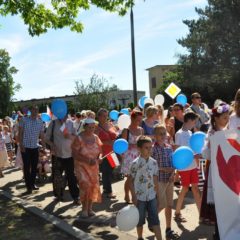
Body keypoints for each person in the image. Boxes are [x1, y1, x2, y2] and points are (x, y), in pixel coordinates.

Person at [200, 102, 230, 240]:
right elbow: (205, 154)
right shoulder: (212, 133)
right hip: (216, 173)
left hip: (229, 171)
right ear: (216, 118)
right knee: (218, 205)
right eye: (224, 117)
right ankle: (218, 233)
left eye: (228, 116)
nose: (227, 119)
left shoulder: (230, 130)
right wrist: (212, 146)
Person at [129, 135, 162, 240]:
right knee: (140, 219)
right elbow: (130, 181)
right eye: (146, 148)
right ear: (139, 149)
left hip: (152, 196)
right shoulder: (135, 164)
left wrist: (158, 195)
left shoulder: (154, 162)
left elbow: (155, 179)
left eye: (150, 147)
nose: (149, 150)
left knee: (155, 220)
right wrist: (133, 196)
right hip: (140, 197)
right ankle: (140, 237)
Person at [152, 124, 180, 239]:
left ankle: (168, 229)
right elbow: (151, 166)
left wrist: (173, 173)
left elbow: (173, 163)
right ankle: (151, 220)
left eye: (165, 133)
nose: (163, 135)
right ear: (155, 136)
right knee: (162, 204)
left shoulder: (169, 147)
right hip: (159, 180)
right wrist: (164, 169)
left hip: (169, 180)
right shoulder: (153, 149)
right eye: (160, 134)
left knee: (169, 205)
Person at [72, 118, 102, 218]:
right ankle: (84, 209)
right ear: (84, 127)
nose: (92, 129)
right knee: (85, 186)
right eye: (89, 127)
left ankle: (90, 209)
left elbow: (100, 151)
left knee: (93, 186)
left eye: (93, 127)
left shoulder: (96, 137)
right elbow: (75, 154)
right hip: (81, 167)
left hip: (94, 167)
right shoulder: (79, 138)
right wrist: (88, 160)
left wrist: (100, 158)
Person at [45, 114, 79, 203]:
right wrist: (52, 145)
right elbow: (46, 138)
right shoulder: (53, 124)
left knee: (71, 176)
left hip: (69, 155)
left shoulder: (71, 123)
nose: (63, 116)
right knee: (57, 176)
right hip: (57, 155)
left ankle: (75, 197)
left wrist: (69, 136)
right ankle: (58, 195)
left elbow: (76, 137)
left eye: (65, 114)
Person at [174, 112, 201, 221]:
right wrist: (193, 155)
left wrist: (197, 155)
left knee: (195, 188)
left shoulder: (190, 132)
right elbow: (177, 150)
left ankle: (201, 214)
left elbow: (194, 148)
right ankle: (177, 212)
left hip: (193, 165)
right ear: (189, 120)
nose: (194, 124)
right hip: (184, 167)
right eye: (194, 122)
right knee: (184, 188)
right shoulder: (179, 134)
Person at [19, 105, 46, 194]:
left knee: (34, 167)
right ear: (30, 111)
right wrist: (21, 145)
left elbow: (42, 135)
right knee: (27, 167)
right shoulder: (24, 120)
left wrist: (44, 146)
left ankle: (32, 184)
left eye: (36, 110)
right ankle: (28, 186)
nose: (35, 112)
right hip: (25, 147)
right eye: (33, 110)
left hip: (35, 147)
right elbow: (20, 132)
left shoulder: (40, 122)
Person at [121, 110, 143, 203]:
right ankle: (127, 195)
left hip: (138, 155)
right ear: (132, 119)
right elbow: (122, 144)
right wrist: (132, 145)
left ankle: (134, 195)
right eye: (137, 120)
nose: (139, 122)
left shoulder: (141, 129)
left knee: (136, 177)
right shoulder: (126, 130)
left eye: (140, 120)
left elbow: (142, 141)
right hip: (129, 157)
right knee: (130, 178)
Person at [95, 108, 117, 198]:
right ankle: (107, 191)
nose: (105, 117)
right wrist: (107, 142)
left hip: (113, 151)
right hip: (103, 153)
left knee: (112, 169)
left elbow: (115, 134)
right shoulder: (96, 128)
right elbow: (94, 140)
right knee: (106, 172)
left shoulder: (110, 124)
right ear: (98, 117)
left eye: (106, 115)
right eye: (103, 116)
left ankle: (107, 187)